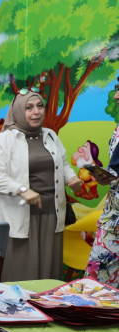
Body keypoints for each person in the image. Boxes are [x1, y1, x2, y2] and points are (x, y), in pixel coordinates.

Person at [0, 88, 82, 281]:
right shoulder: (5, 139)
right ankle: (19, 311)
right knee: (20, 272)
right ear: (18, 111)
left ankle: (45, 308)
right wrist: (21, 190)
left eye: (39, 106)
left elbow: (62, 162)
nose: (36, 112)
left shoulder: (51, 135)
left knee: (49, 272)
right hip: (20, 217)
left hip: (52, 216)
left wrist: (71, 179)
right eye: (28, 108)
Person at [85, 79, 119, 288]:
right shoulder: (117, 130)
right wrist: (106, 176)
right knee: (95, 283)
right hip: (112, 221)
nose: (116, 96)